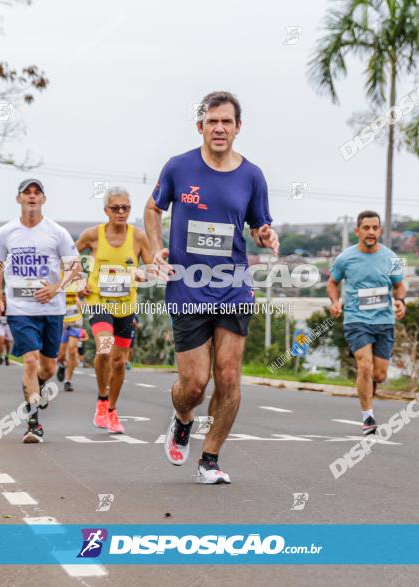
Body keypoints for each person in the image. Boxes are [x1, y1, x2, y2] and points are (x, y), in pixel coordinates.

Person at [144, 90, 278, 484]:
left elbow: (258, 225)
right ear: (199, 125)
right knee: (195, 384)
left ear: (238, 128)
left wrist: (266, 234)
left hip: (233, 285)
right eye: (212, 121)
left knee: (230, 376)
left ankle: (210, 459)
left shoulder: (252, 175)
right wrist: (154, 250)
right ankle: (183, 418)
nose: (219, 128)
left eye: (227, 122)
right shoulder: (178, 168)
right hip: (187, 285)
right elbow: (153, 208)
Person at [0, 178, 80, 443]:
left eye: (36, 192)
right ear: (18, 199)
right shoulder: (6, 232)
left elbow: (75, 270)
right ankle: (33, 423)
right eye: (26, 193)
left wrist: (56, 287)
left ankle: (38, 387)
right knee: (30, 360)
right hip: (19, 309)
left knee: (48, 368)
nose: (31, 196)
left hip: (52, 308)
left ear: (43, 199)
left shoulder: (57, 232)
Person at [76, 186, 153, 434]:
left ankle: (111, 408)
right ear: (106, 210)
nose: (121, 212)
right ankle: (101, 398)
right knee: (105, 347)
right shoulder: (92, 235)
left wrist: (143, 273)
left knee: (119, 362)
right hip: (99, 300)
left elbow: (152, 268)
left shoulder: (138, 237)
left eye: (125, 208)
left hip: (126, 305)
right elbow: (68, 257)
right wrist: (77, 283)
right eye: (115, 208)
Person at [327, 210, 407, 435]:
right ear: (357, 231)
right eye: (366, 228)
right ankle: (368, 417)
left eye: (375, 228)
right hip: (356, 320)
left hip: (384, 321)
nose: (371, 232)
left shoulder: (391, 258)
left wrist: (400, 301)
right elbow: (332, 283)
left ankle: (366, 389)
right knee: (365, 365)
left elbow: (399, 285)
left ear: (380, 231)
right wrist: (335, 302)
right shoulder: (345, 258)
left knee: (379, 375)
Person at [55, 270, 85, 392]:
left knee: (72, 350)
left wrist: (81, 303)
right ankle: (62, 365)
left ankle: (68, 381)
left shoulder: (76, 277)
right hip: (62, 322)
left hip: (75, 320)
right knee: (61, 355)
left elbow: (82, 294)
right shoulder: (56, 275)